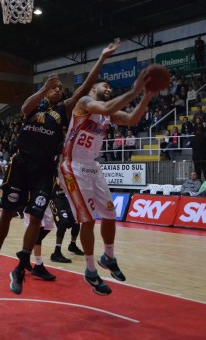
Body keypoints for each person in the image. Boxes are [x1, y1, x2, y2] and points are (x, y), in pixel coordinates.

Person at [0, 39, 123, 286]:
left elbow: (87, 86)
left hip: (45, 168)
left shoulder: (66, 109)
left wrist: (101, 58)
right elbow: (26, 106)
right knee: (7, 212)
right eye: (54, 88)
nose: (59, 90)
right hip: (21, 163)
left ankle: (22, 265)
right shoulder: (34, 106)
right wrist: (43, 87)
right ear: (46, 90)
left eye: (60, 88)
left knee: (38, 218)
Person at [53, 75, 154, 296]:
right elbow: (107, 107)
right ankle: (90, 270)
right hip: (73, 168)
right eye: (104, 86)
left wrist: (146, 97)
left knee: (110, 214)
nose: (108, 88)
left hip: (93, 167)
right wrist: (136, 90)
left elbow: (132, 119)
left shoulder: (106, 116)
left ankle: (108, 257)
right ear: (93, 90)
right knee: (87, 220)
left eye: (110, 86)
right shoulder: (85, 103)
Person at [48, 181, 84, 263]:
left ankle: (72, 245)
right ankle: (56, 252)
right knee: (62, 224)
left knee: (76, 221)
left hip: (64, 198)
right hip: (53, 198)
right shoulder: (53, 171)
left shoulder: (66, 170)